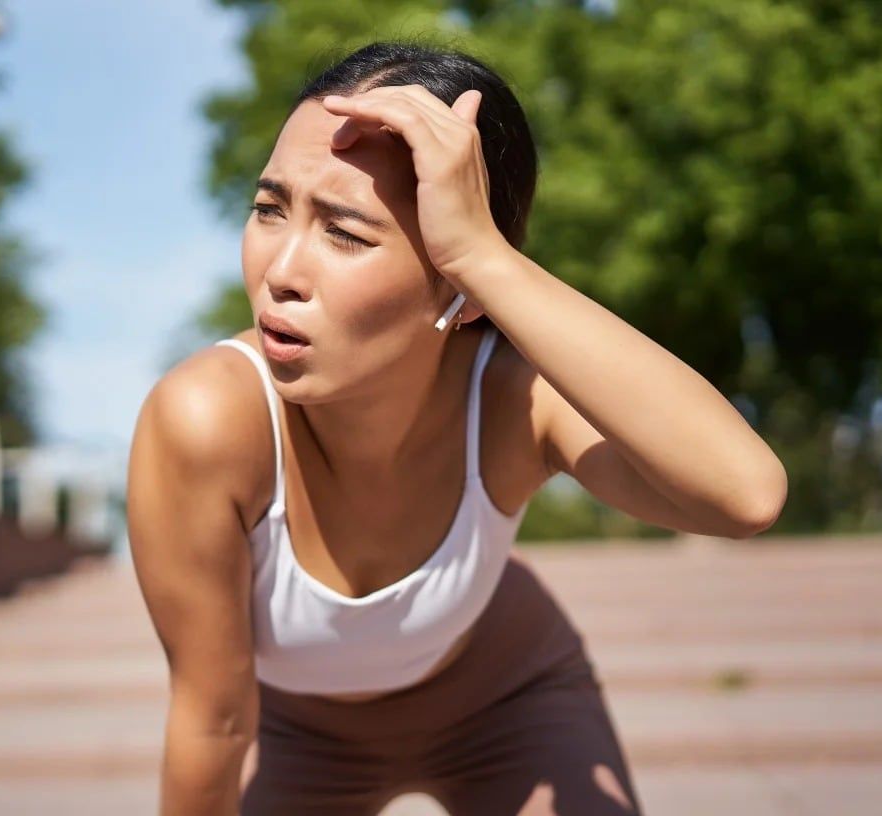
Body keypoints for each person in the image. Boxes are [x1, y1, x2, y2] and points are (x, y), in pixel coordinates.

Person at [126, 39, 787, 816]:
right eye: (270, 209)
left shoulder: (514, 397)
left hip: (512, 700)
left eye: (344, 232)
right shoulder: (208, 421)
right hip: (304, 739)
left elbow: (744, 496)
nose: (281, 272)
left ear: (459, 283)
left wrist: (484, 256)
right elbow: (214, 718)